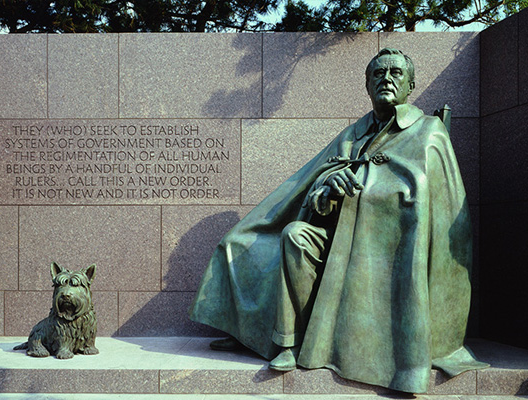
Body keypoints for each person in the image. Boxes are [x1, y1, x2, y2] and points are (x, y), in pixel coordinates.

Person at [189, 48, 488, 394]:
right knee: (290, 235)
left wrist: (365, 192)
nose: (386, 79)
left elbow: (431, 204)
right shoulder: (352, 134)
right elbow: (313, 189)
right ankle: (283, 341)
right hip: (336, 240)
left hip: (389, 252)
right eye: (377, 74)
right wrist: (328, 189)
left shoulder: (428, 131)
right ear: (367, 84)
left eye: (395, 73)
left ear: (411, 85)